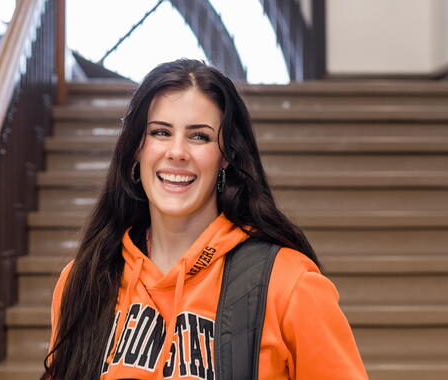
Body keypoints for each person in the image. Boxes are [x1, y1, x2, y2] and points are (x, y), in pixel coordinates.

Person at [42, 59, 367, 380]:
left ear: (226, 155)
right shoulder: (84, 280)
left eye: (199, 137)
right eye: (160, 132)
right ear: (136, 147)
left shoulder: (289, 285)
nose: (177, 152)